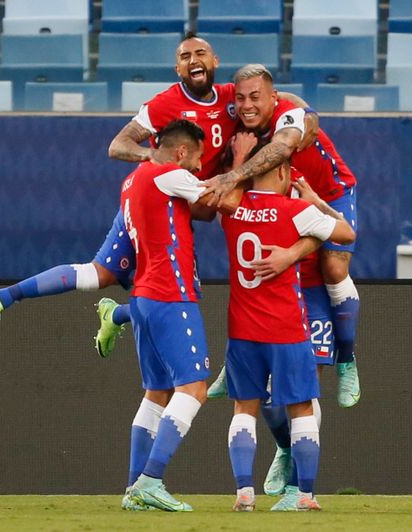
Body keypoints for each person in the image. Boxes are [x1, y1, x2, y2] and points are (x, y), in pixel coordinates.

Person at [0, 34, 319, 355]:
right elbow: (118, 145)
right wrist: (154, 158)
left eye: (200, 53)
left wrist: (307, 111)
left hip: (176, 199)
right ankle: (34, 303)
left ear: (215, 62)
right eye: (185, 56)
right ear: (177, 67)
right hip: (165, 202)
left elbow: (280, 96)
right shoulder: (164, 104)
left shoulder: (230, 97)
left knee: (96, 275)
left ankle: (73, 308)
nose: (193, 59)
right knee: (181, 293)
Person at [202, 64, 362, 408]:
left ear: (273, 98)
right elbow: (226, 206)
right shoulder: (236, 124)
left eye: (256, 97)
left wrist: (233, 177)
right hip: (280, 197)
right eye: (241, 98)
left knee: (334, 269)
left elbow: (284, 146)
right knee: (253, 263)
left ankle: (347, 358)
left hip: (327, 194)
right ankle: (235, 364)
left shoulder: (289, 115)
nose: (247, 105)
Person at [220, 143, 356, 511]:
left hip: (242, 330)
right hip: (287, 329)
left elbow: (228, 192)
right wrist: (314, 200)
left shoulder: (231, 209)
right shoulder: (297, 210)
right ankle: (306, 495)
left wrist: (238, 162)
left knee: (244, 409)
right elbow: (346, 234)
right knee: (301, 410)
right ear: (282, 173)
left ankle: (244, 492)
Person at [119, 119, 219, 512]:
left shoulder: (131, 181)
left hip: (143, 295)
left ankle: (133, 489)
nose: (197, 167)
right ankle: (150, 480)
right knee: (194, 389)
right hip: (170, 295)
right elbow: (218, 197)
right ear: (181, 152)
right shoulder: (169, 174)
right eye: (197, 157)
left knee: (156, 394)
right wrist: (243, 160)